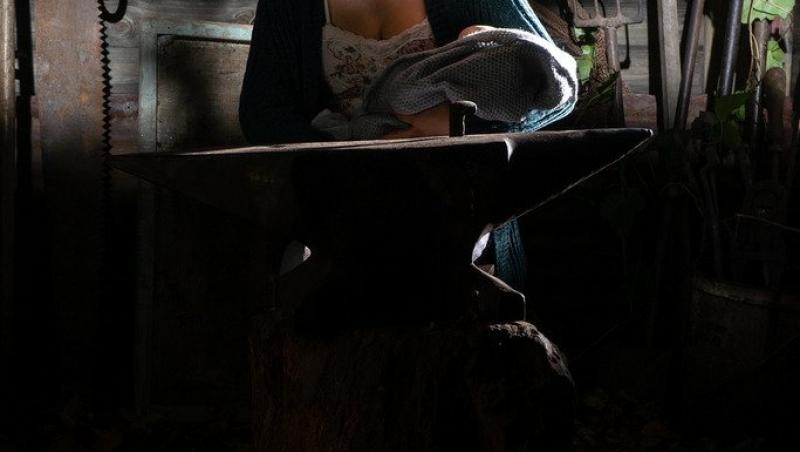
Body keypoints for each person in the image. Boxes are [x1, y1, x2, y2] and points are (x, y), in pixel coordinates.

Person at [239, 0, 576, 290]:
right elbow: (261, 114)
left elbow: (557, 90)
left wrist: (459, 125)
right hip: (343, 222)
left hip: (463, 227)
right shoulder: (289, 6)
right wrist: (354, 155)